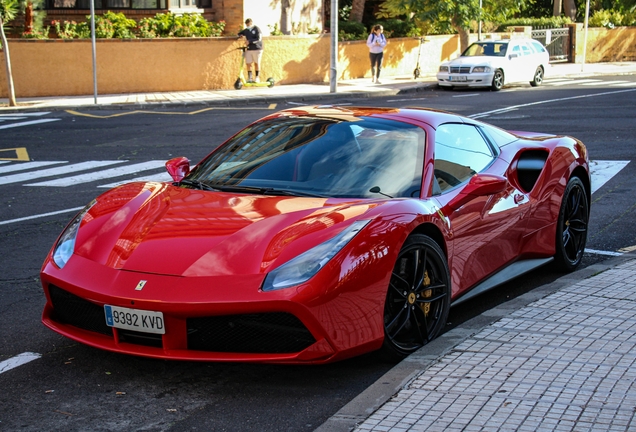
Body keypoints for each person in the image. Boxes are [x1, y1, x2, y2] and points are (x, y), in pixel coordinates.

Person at [238, 18, 264, 83]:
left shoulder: (257, 29)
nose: (248, 25)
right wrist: (240, 35)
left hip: (257, 48)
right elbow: (240, 33)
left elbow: (259, 38)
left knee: (256, 63)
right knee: (248, 63)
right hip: (249, 49)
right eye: (247, 24)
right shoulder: (246, 30)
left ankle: (257, 78)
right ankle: (250, 78)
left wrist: (250, 41)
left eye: (249, 24)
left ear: (251, 23)